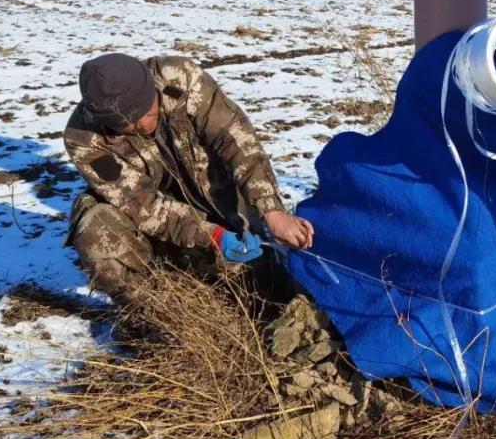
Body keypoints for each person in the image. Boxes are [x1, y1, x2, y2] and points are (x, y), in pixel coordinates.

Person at [63, 53, 314, 305]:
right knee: (97, 232)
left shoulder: (179, 76)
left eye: (147, 111)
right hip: (155, 228)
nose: (143, 124)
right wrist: (213, 237)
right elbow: (145, 207)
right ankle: (152, 312)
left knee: (264, 284)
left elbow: (236, 140)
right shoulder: (84, 139)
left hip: (219, 206)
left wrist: (272, 210)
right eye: (130, 126)